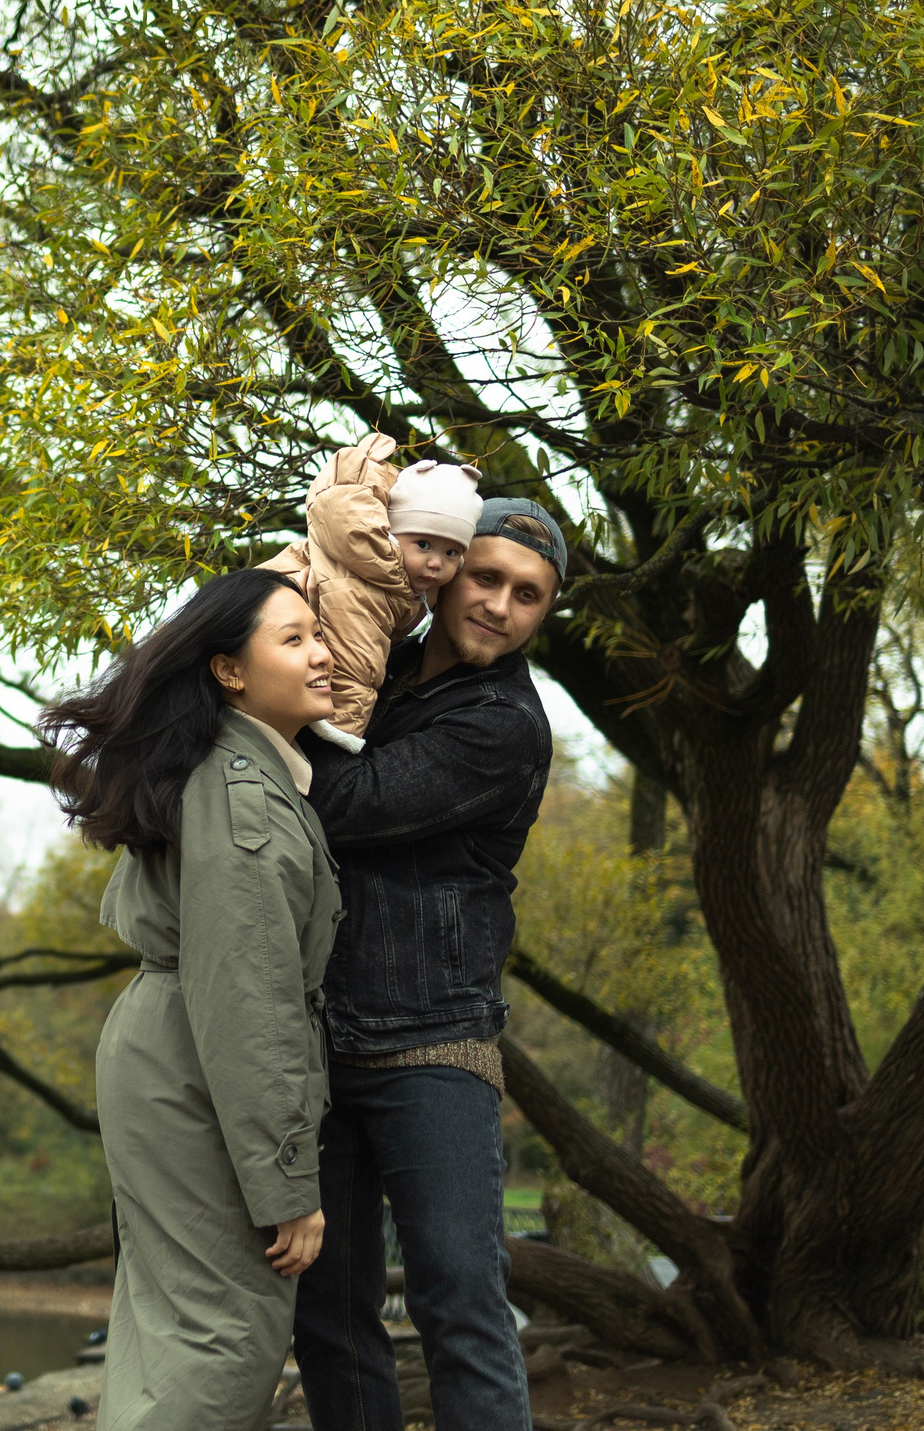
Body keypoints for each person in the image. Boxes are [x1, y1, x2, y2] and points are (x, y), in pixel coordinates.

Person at [39, 567, 345, 1431]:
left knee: (175, 1334)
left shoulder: (245, 771)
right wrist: (287, 1182)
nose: (324, 654)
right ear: (229, 672)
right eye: (295, 640)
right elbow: (249, 999)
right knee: (226, 1337)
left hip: (168, 1055)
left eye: (319, 633)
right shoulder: (240, 791)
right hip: (195, 1070)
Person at [292, 497, 568, 1431]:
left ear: (543, 615)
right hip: (321, 1037)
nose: (498, 603)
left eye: (526, 595)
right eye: (484, 576)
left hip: (434, 1043)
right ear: (448, 572)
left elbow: (346, 799)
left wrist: (285, 708)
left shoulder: (505, 725)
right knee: (328, 1307)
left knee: (458, 1302)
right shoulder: (380, 657)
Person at [257, 432, 485, 748]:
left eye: (451, 553)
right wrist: (340, 738)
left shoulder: (398, 582)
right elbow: (355, 665)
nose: (436, 563)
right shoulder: (368, 580)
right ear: (393, 534)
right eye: (423, 545)